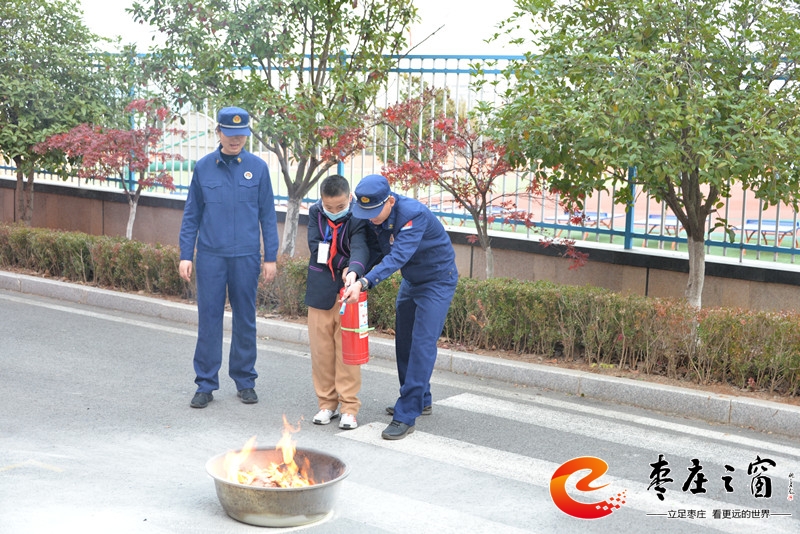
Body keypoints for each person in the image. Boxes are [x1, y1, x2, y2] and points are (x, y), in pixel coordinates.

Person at [343, 174, 458, 440]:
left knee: (421, 345)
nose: (370, 218)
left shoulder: (412, 215)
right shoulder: (372, 215)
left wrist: (364, 283)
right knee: (404, 342)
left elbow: (397, 257)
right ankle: (421, 399)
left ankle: (406, 414)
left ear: (391, 201)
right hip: (412, 280)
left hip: (437, 280)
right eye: (365, 212)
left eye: (374, 212)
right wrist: (355, 271)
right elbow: (372, 249)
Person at [178, 106, 279, 409]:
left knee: (245, 320)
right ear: (219, 132)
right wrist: (186, 254)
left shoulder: (258, 168)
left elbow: (268, 215)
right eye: (231, 134)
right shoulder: (203, 167)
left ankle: (245, 380)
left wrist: (270, 257)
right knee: (208, 320)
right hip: (211, 256)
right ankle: (205, 384)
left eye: (242, 135)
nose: (236, 140)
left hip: (246, 256)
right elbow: (192, 215)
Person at [305, 175, 371, 430]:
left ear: (349, 199)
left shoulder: (358, 216)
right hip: (320, 290)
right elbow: (316, 247)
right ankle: (326, 404)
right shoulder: (315, 213)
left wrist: (352, 270)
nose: (334, 211)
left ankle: (349, 408)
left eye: (340, 206)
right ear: (321, 201)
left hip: (348, 292)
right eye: (329, 207)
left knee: (347, 353)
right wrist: (343, 263)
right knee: (321, 352)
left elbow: (360, 248)